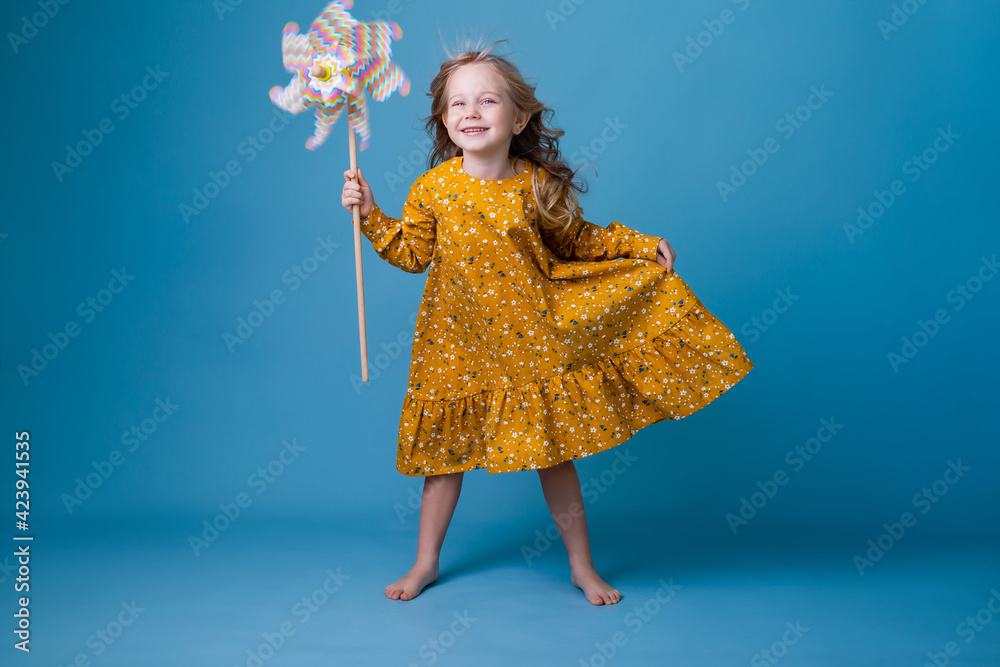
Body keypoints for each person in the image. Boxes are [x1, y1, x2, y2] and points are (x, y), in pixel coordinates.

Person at [341, 41, 754, 606]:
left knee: (554, 455)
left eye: (487, 101)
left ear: (520, 117)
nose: (471, 112)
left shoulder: (538, 186)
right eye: (458, 103)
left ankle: (583, 567)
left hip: (532, 340)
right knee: (444, 461)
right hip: (455, 343)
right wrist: (370, 214)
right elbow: (412, 254)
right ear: (443, 118)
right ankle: (426, 562)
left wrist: (638, 244)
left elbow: (578, 242)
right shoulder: (433, 188)